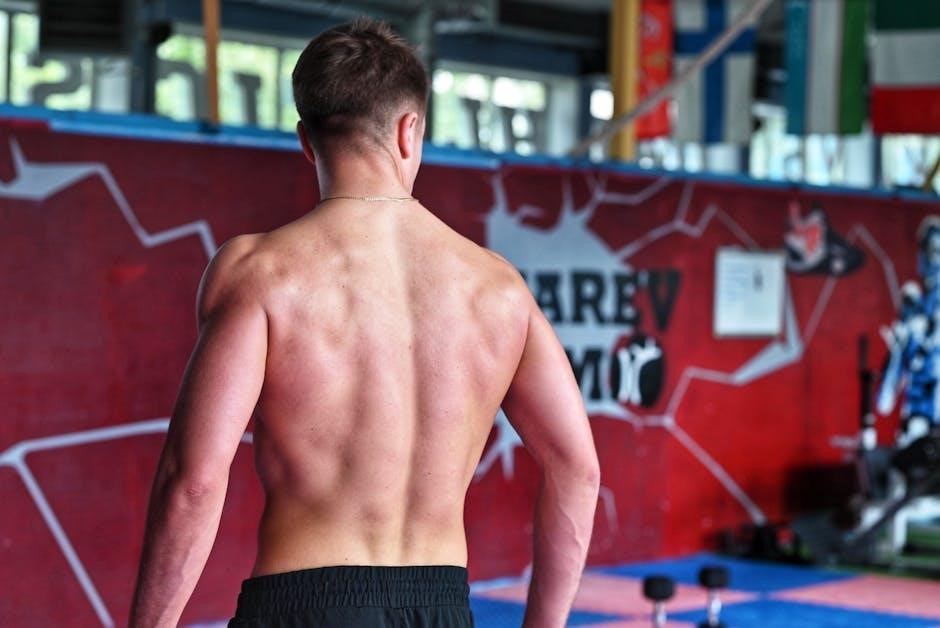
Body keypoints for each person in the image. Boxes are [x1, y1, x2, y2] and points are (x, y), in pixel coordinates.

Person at [130, 17, 599, 628]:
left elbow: (193, 481)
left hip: (304, 606)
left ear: (306, 141)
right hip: (441, 608)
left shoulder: (261, 273)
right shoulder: (499, 289)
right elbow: (578, 469)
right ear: (410, 130)